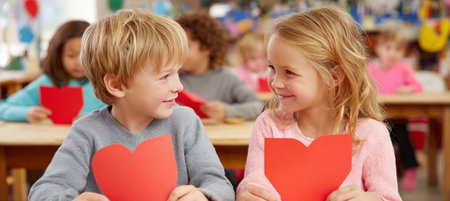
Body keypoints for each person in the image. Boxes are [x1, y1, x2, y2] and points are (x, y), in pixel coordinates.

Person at [28, 9, 234, 201]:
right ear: (117, 85)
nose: (179, 86)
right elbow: (43, 191)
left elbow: (219, 184)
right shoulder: (86, 131)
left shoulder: (185, 122)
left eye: (177, 73)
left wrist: (204, 196)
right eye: (165, 76)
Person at [237, 6, 402, 201]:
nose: (275, 82)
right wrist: (247, 194)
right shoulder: (268, 125)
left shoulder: (371, 134)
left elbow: (389, 197)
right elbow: (253, 184)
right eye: (272, 67)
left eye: (289, 72)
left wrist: (372, 199)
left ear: (334, 76)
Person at [0, 20, 105, 123]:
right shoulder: (45, 83)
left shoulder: (103, 85)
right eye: (71, 55)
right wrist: (27, 113)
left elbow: (117, 117)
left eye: (86, 55)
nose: (79, 62)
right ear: (58, 55)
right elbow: (3, 108)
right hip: (53, 139)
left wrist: (96, 120)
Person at [175, 12, 264, 124]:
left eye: (187, 46)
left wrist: (226, 111)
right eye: (177, 46)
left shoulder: (227, 78)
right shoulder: (172, 78)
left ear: (207, 48)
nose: (179, 52)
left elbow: (259, 106)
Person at [368, 27, 424, 192]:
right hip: (377, 118)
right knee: (380, 146)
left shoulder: (404, 68)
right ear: (378, 49)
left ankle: (411, 168)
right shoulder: (370, 69)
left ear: (404, 52)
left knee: (403, 140)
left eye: (398, 49)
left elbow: (418, 86)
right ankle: (382, 176)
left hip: (399, 118)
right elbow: (362, 88)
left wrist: (409, 89)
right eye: (388, 48)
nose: (392, 53)